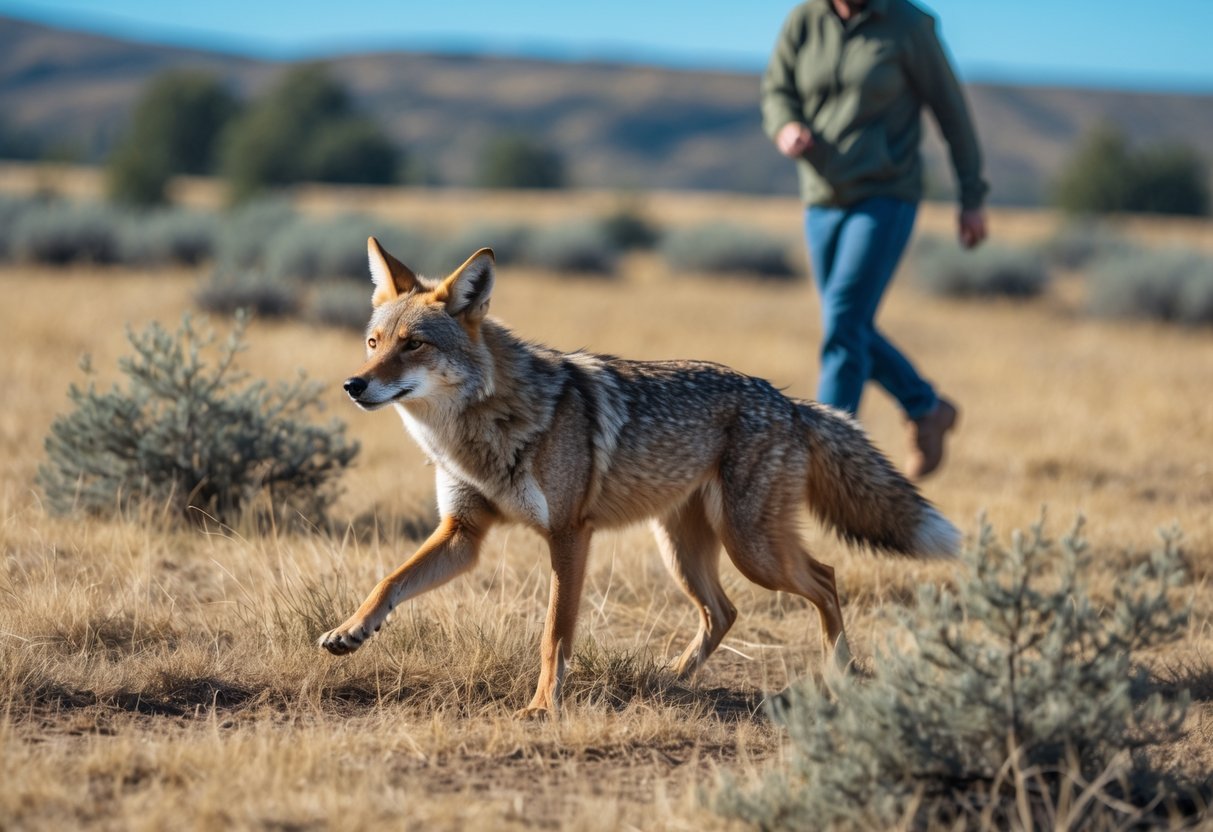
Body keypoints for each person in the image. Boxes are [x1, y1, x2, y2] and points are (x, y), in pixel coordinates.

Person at [762, 0, 988, 480]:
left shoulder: (909, 26)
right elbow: (777, 88)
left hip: (886, 195)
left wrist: (972, 195)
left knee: (843, 321)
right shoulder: (806, 21)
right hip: (822, 196)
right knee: (848, 325)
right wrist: (786, 125)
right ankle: (925, 407)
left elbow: (953, 113)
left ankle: (826, 458)